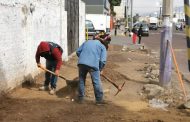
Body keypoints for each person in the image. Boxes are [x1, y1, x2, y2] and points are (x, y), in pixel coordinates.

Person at [76, 33, 111, 105]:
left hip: (81, 63)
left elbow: (78, 51)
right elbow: (103, 61)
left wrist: (83, 58)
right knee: (96, 82)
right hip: (93, 65)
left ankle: (80, 99)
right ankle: (99, 100)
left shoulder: (87, 42)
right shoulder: (102, 47)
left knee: (81, 80)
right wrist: (100, 69)